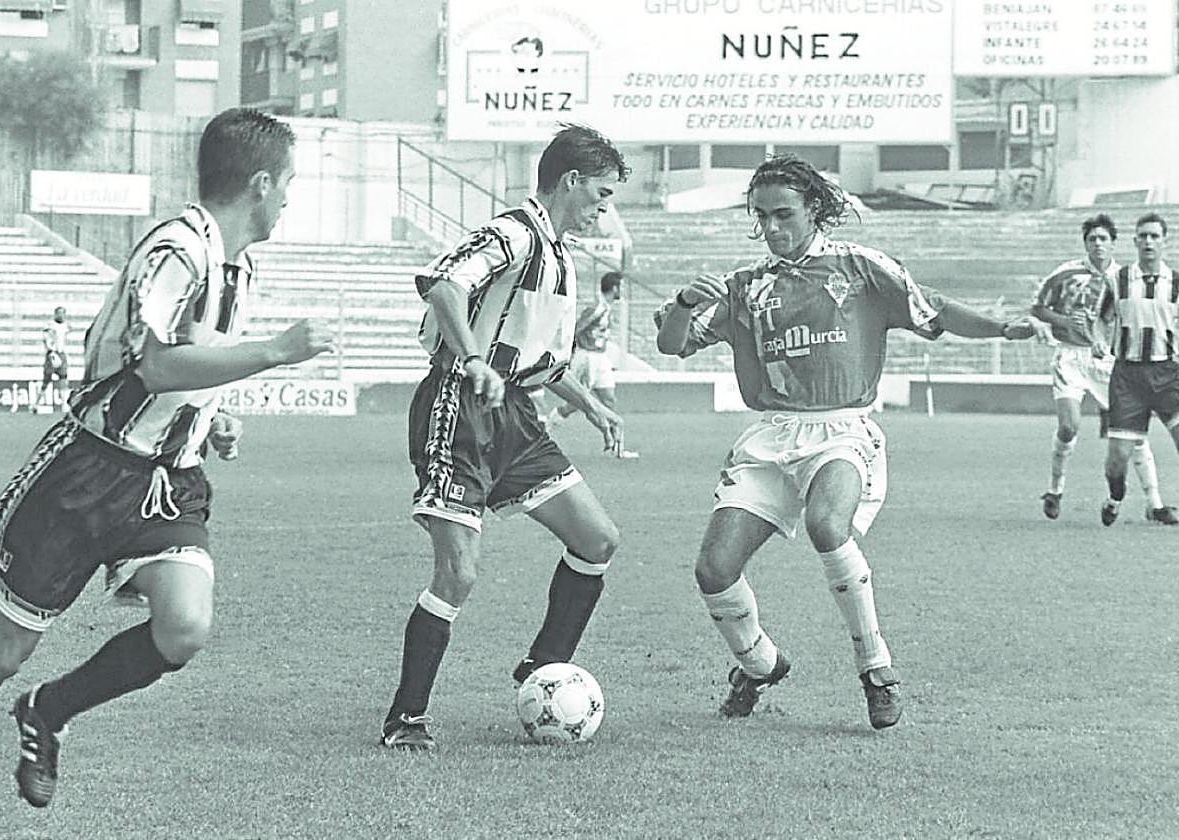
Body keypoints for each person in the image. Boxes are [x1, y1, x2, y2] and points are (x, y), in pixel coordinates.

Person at [0, 107, 334, 808]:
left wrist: (214, 415)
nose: (290, 198)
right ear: (260, 183)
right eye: (289, 182)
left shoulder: (237, 269)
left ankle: (47, 712)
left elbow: (186, 374)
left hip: (169, 483)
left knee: (185, 624)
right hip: (90, 472)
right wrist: (276, 352)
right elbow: (155, 367)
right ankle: (19, 692)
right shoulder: (177, 248)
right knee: (0, 653)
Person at [654, 154, 1043, 730]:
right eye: (760, 217)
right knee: (713, 569)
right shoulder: (745, 287)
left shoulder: (860, 269)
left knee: (827, 526)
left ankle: (876, 668)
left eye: (783, 213)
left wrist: (1002, 327)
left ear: (814, 209)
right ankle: (759, 664)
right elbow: (671, 345)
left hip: (842, 428)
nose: (772, 228)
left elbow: (932, 308)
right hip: (769, 437)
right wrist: (684, 305)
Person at [383, 124, 629, 751]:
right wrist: (472, 360)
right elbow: (444, 283)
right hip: (460, 405)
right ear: (570, 181)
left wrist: (592, 405)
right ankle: (406, 718)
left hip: (515, 414)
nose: (606, 207)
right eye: (601, 192)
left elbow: (542, 362)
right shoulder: (515, 232)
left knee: (597, 539)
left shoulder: (561, 254)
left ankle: (544, 666)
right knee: (458, 573)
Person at [1032, 215, 1173, 523]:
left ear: (1114, 243)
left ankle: (1155, 504)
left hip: (1110, 363)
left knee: (1134, 437)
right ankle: (1055, 490)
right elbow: (1038, 307)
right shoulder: (1065, 273)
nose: (1097, 244)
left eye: (1103, 239)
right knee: (1069, 426)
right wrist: (1064, 322)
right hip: (1070, 357)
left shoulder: (1123, 278)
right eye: (1092, 239)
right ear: (1085, 243)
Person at [1094, 213, 1179, 526]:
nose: (1148, 242)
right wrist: (1099, 341)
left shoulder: (1177, 282)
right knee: (1117, 462)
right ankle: (1115, 498)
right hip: (1128, 378)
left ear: (1164, 241)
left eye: (1154, 236)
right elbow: (1100, 320)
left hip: (1168, 374)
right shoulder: (1118, 280)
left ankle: (1154, 505)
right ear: (1134, 241)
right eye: (1142, 236)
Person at [548, 270, 639, 458]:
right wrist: (571, 353)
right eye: (620, 286)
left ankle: (617, 448)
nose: (622, 290)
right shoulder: (597, 307)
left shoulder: (605, 307)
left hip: (600, 357)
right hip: (587, 357)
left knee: (609, 400)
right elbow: (576, 329)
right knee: (579, 401)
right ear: (614, 288)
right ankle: (550, 424)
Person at [31, 306, 69, 414]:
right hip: (52, 354)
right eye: (59, 313)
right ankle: (36, 404)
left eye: (63, 313)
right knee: (46, 380)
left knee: (63, 379)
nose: (61, 315)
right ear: (55, 314)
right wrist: (51, 351)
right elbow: (46, 339)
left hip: (62, 354)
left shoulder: (66, 326)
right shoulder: (50, 326)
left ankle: (64, 406)